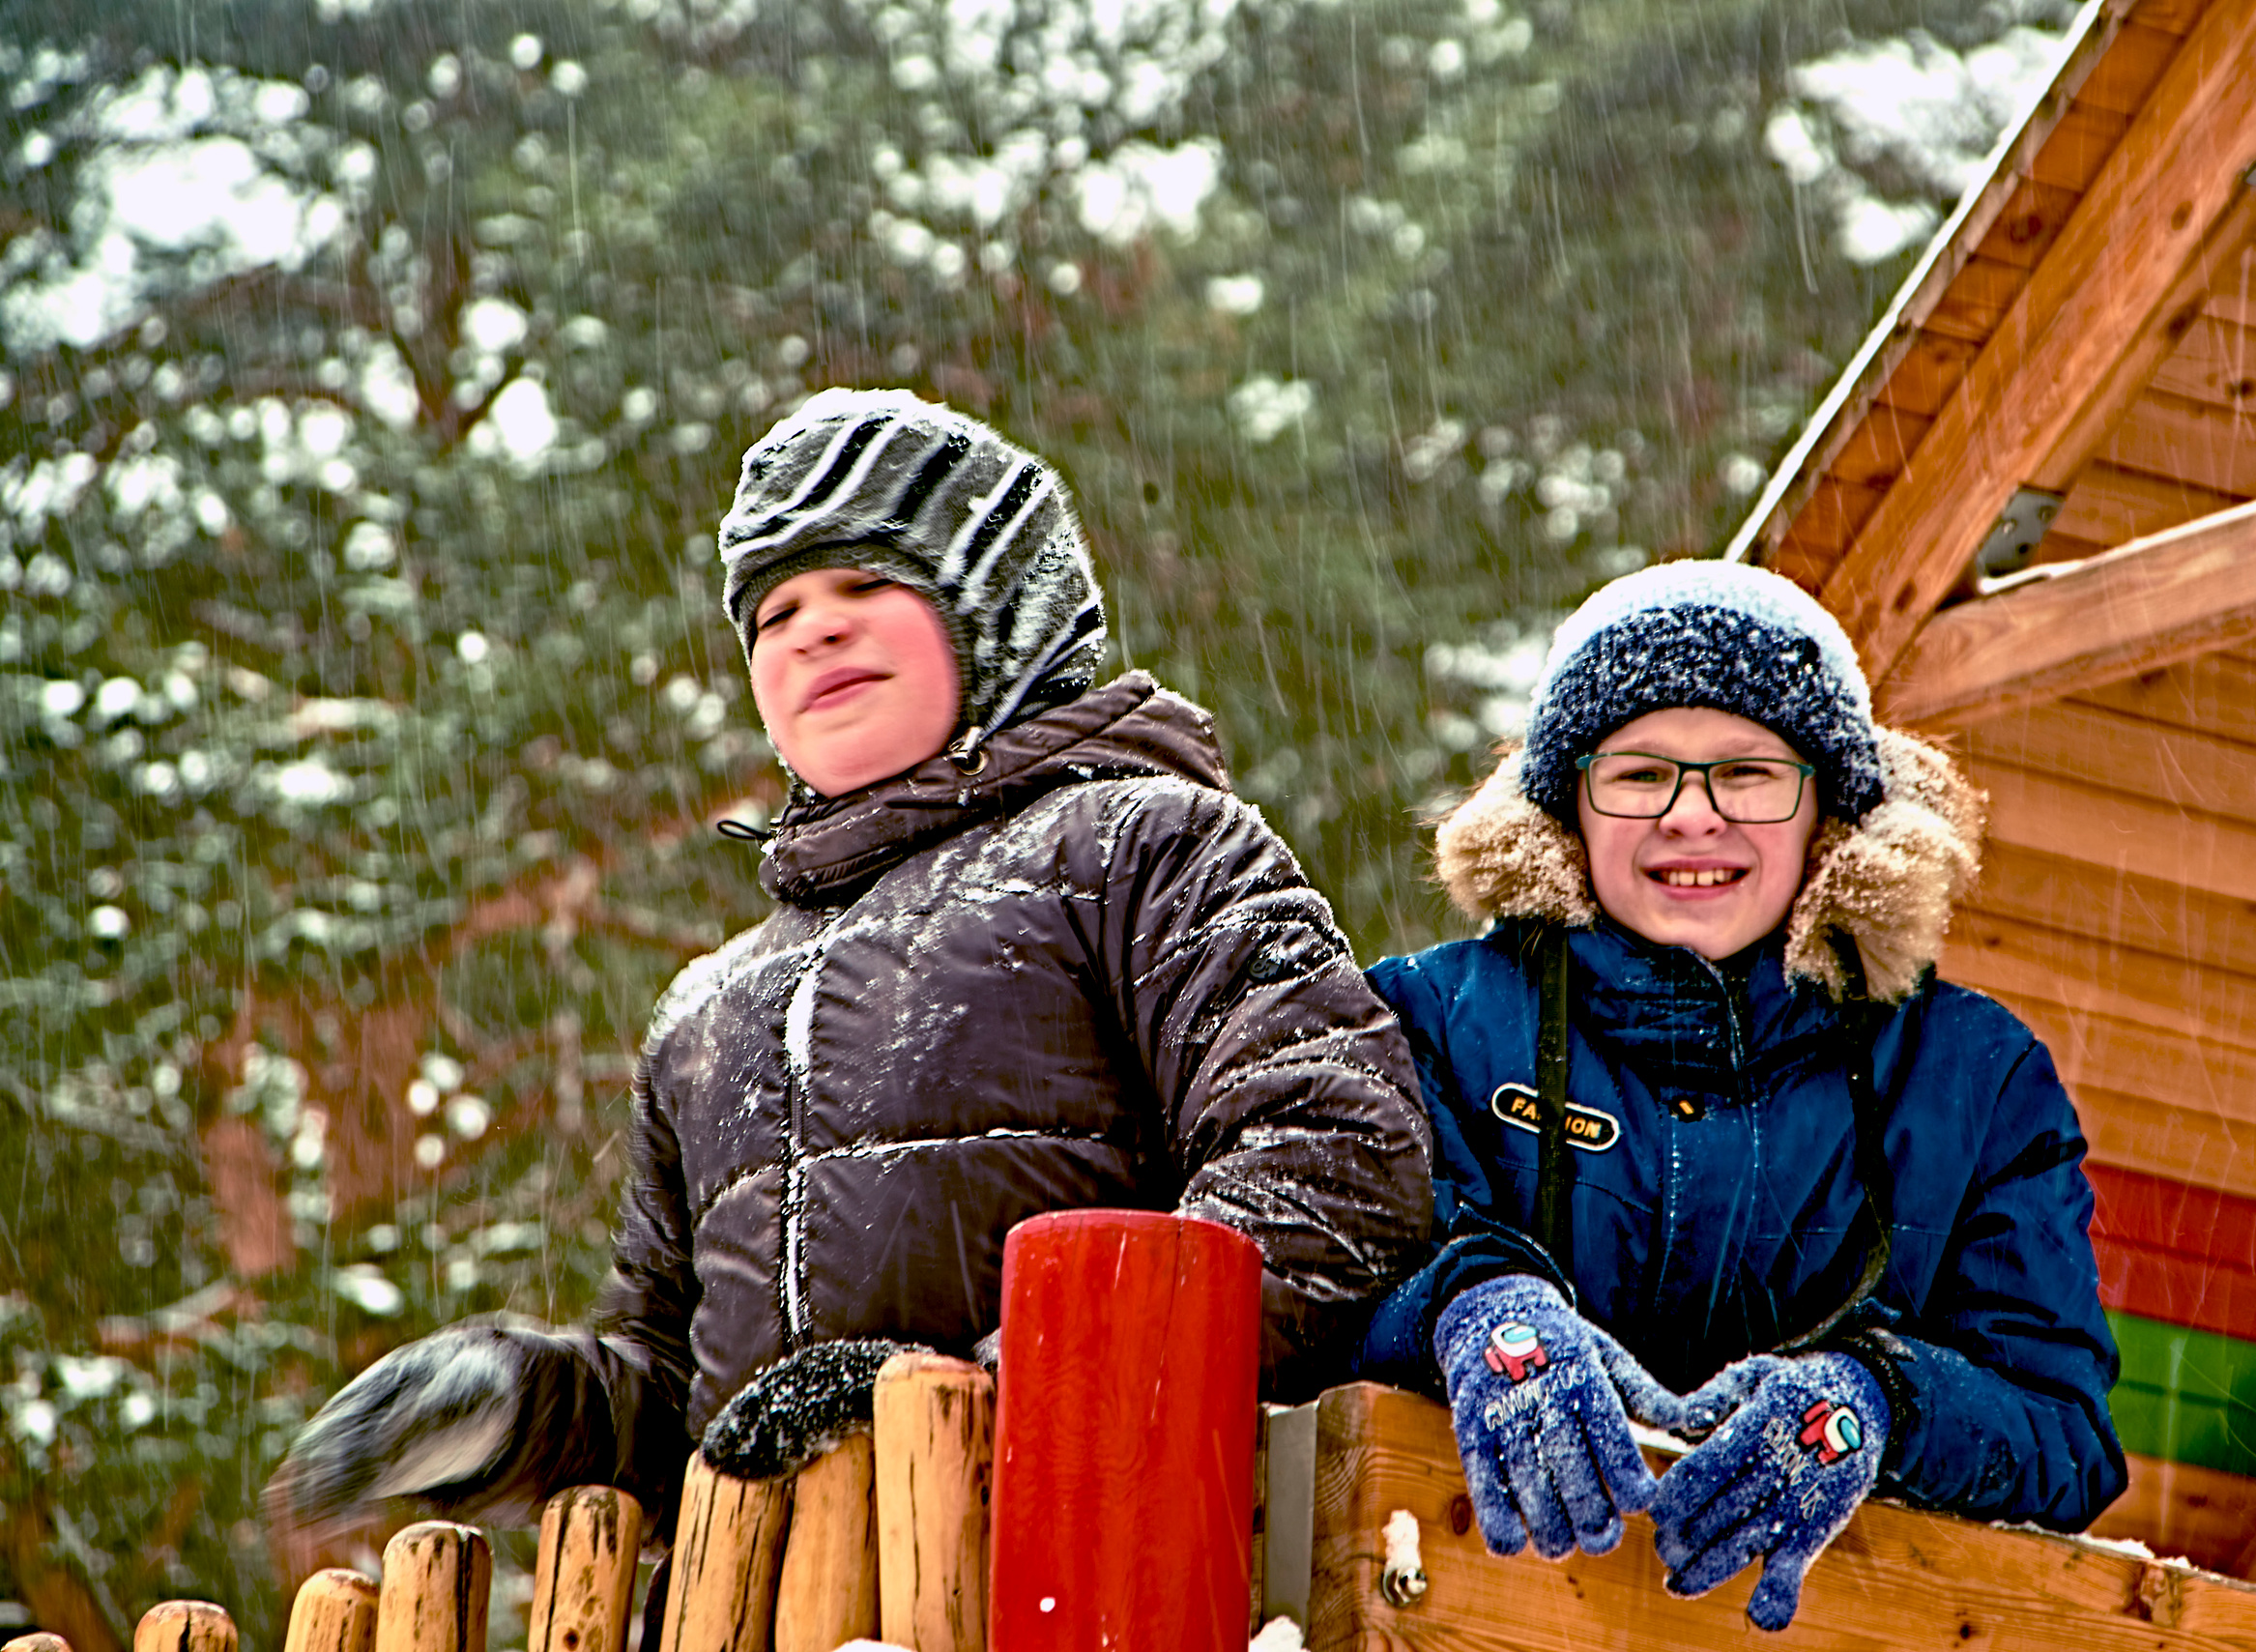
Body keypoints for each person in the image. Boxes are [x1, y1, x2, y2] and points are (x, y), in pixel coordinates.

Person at [268, 388, 1433, 1548]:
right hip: (765, 1607)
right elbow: (681, 1392)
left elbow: (1329, 1162)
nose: (814, 628)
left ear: (1001, 613)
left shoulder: (1141, 845)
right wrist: (526, 1409)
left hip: (1076, 1576)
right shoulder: (706, 1010)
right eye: (774, 612)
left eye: (869, 582)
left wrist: (978, 1401)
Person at [1356, 559, 2123, 1632]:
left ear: (1830, 810)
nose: (1692, 818)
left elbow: (2063, 1436)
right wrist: (1471, 1308)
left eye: (1748, 774)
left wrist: (1875, 1401)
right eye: (1640, 773)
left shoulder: (1979, 1081)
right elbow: (1311, 1302)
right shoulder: (1426, 1018)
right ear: (1568, 800)